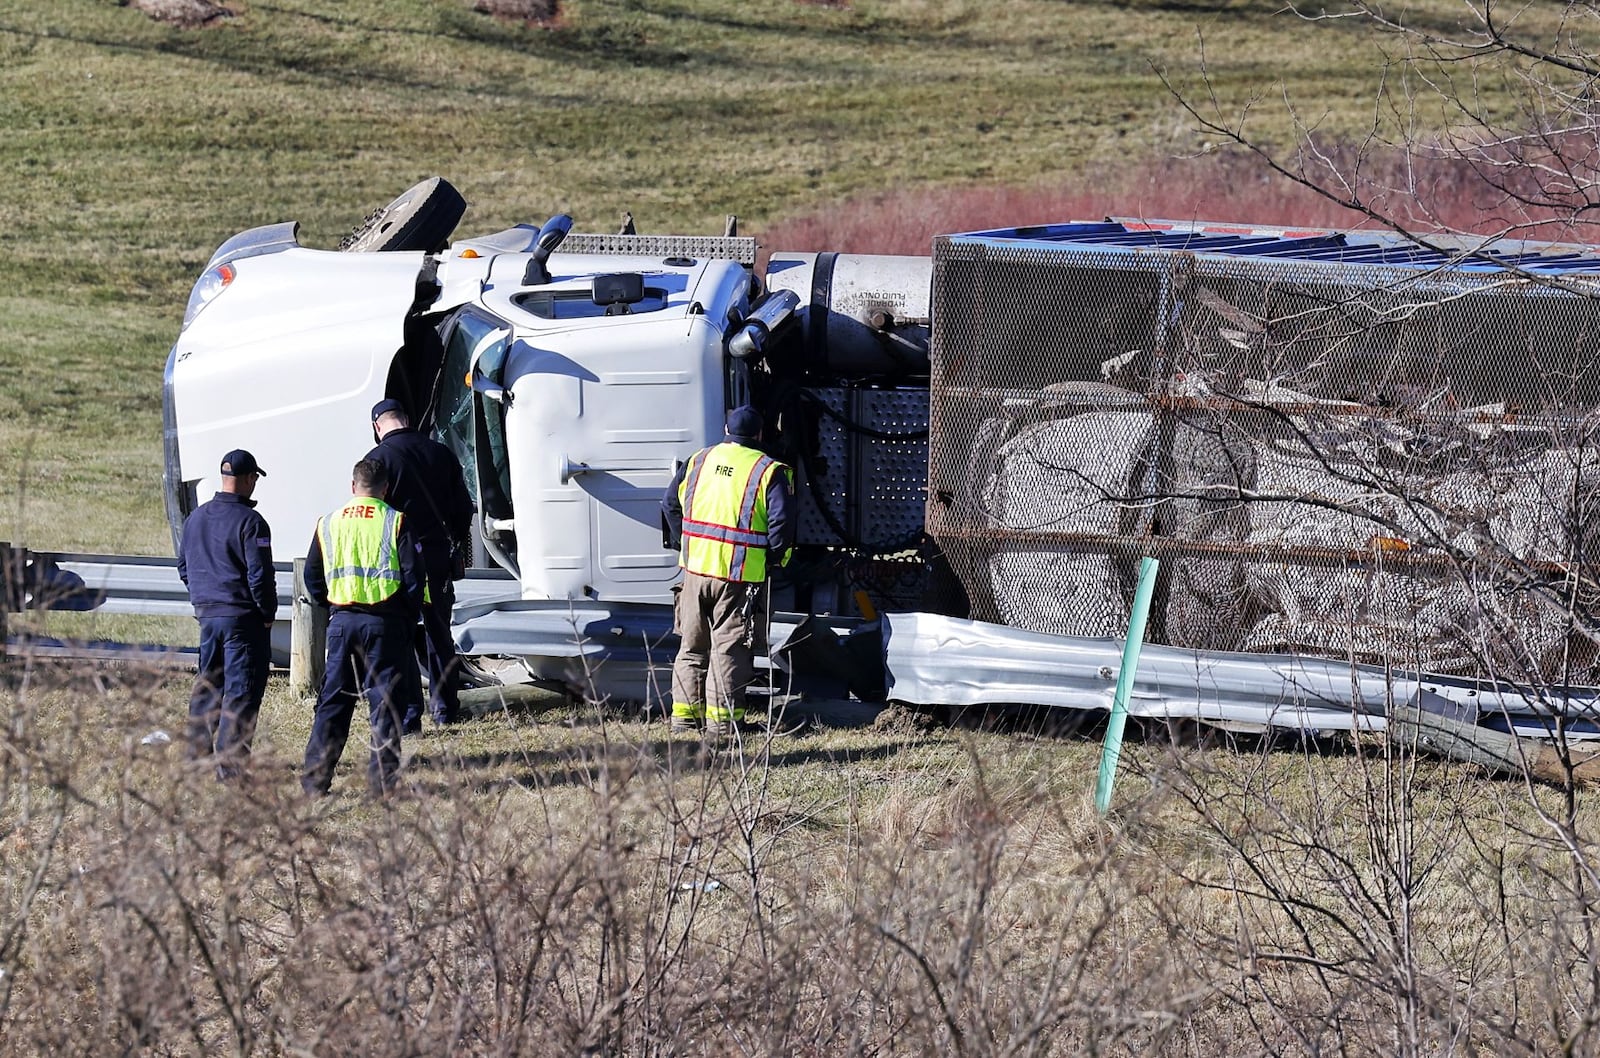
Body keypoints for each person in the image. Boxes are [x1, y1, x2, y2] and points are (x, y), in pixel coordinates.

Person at [661, 406, 795, 737]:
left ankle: (683, 719)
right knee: (729, 649)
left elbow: (669, 505)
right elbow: (782, 524)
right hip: (738, 578)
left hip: (694, 573)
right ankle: (721, 725)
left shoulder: (698, 461)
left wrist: (686, 544)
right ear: (760, 435)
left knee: (691, 646)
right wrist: (775, 559)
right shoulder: (768, 471)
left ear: (725, 428)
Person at [301, 458, 428, 797]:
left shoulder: (328, 523)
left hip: (342, 623)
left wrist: (331, 607)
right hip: (385, 624)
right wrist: (405, 619)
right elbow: (415, 578)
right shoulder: (395, 521)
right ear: (386, 489)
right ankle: (382, 787)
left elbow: (312, 576)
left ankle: (314, 782)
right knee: (385, 705)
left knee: (333, 704)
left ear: (352, 485)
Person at [366, 397, 475, 731]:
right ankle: (445, 710)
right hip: (437, 557)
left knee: (400, 635)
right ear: (406, 418)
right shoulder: (440, 452)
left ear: (376, 426)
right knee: (439, 634)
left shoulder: (377, 460)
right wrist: (451, 540)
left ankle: (411, 713)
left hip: (398, 561)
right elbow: (464, 508)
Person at [176, 449, 276, 780]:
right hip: (242, 619)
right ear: (249, 479)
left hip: (208, 616)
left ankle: (196, 756)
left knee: (208, 685)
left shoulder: (196, 518)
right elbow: (259, 576)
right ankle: (231, 769)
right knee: (241, 690)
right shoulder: (251, 522)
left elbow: (183, 567)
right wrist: (266, 612)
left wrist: (202, 599)